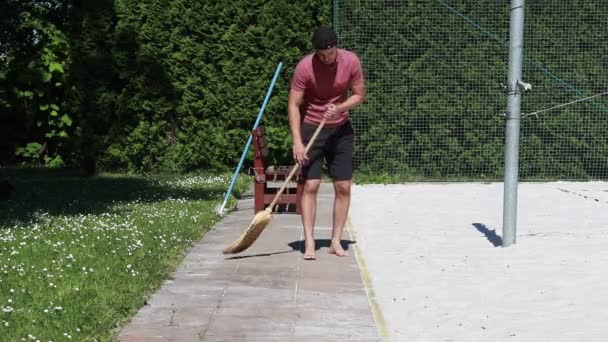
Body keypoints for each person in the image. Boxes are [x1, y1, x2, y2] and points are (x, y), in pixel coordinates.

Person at [288, 27, 365, 260]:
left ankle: (335, 241)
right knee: (310, 186)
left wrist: (339, 108)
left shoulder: (350, 61)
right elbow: (293, 104)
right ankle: (310, 243)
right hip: (312, 128)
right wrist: (297, 142)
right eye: (321, 54)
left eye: (330, 53)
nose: (326, 58)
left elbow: (359, 95)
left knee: (343, 187)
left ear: (336, 47)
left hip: (341, 130)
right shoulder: (305, 67)